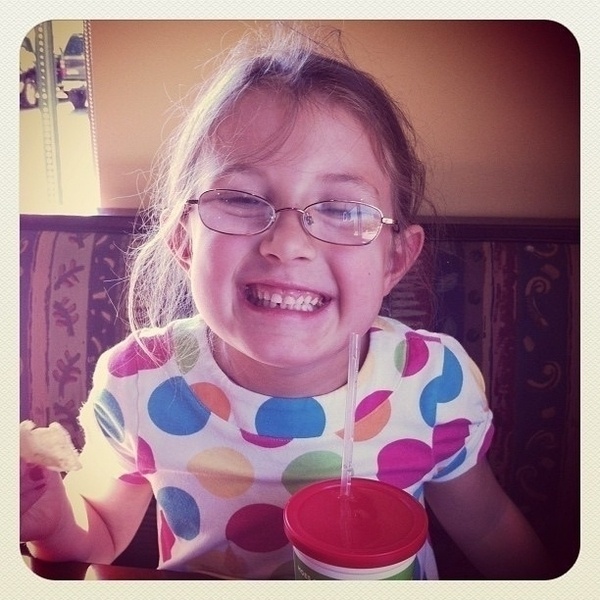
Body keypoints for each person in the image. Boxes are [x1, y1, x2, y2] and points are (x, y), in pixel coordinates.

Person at [20, 24, 551, 580]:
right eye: (240, 199)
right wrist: (50, 522)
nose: (288, 243)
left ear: (394, 259)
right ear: (183, 239)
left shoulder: (434, 385)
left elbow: (489, 527)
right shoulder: (139, 380)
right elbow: (100, 533)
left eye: (343, 210)